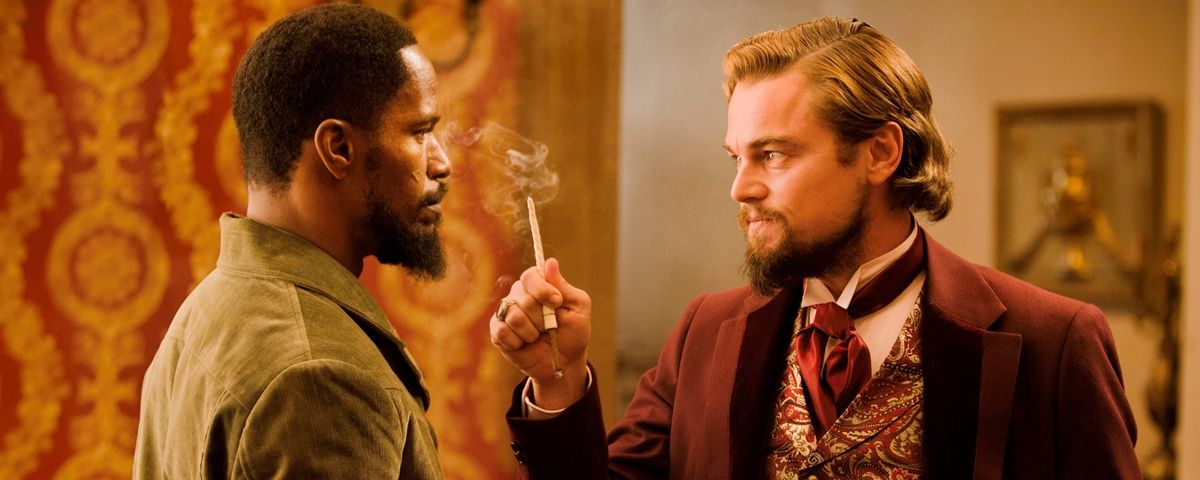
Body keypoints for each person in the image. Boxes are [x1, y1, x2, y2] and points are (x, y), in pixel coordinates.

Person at [490, 17, 1139, 479]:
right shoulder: (703, 333)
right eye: (737, 157)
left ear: (880, 152)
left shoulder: (1054, 342)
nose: (741, 188)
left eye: (773, 154)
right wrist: (556, 380)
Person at [133, 4, 451, 478]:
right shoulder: (323, 377)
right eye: (420, 132)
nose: (442, 163)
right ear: (338, 148)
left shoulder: (205, 310)